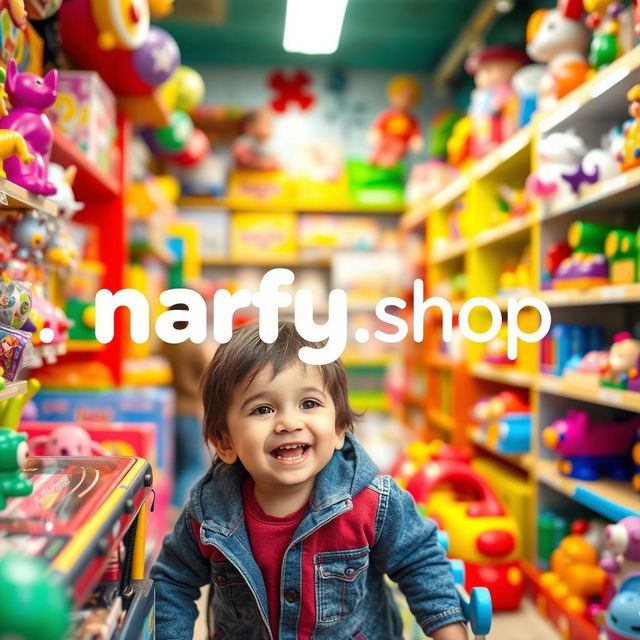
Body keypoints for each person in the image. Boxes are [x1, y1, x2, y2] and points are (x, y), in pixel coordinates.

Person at [151, 321, 468, 640]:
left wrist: (447, 628)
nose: (289, 422)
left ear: (339, 428)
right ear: (225, 442)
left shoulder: (371, 502)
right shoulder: (209, 511)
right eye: (263, 409)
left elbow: (419, 561)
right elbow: (173, 580)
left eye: (309, 404)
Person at [160, 303, 212, 512]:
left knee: (175, 464)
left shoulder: (165, 344)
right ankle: (179, 509)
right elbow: (209, 371)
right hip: (189, 411)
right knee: (193, 466)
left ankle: (167, 507)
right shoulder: (192, 345)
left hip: (168, 410)